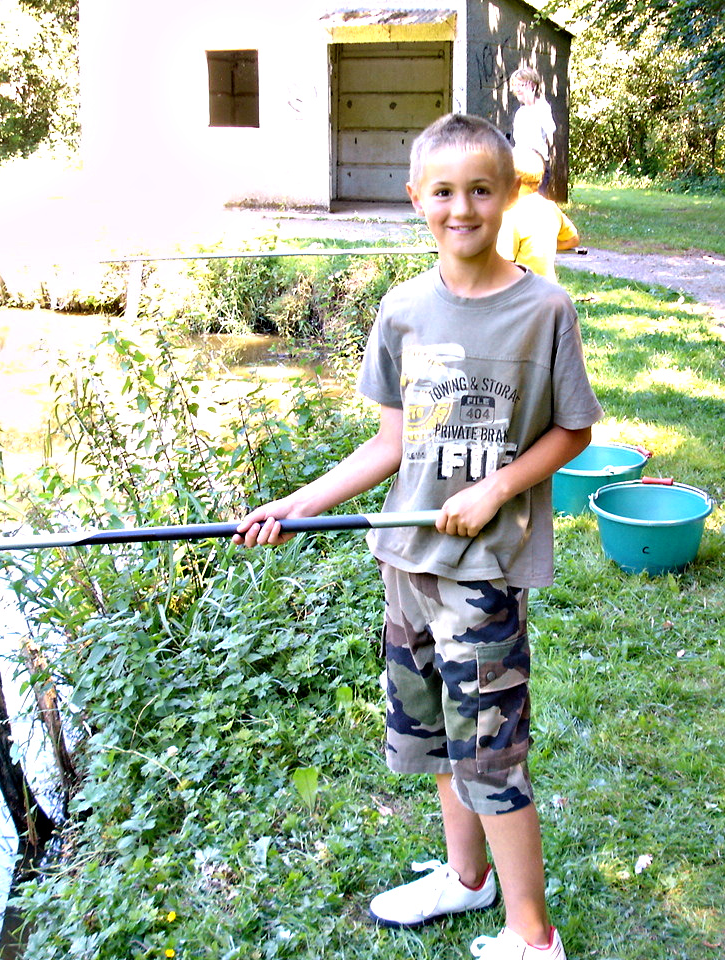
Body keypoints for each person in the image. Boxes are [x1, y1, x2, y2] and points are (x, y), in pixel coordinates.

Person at [235, 113, 602, 960]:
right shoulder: (402, 309)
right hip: (407, 563)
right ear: (416, 200)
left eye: (481, 190)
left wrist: (498, 488)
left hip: (483, 571)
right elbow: (388, 444)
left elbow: (575, 431)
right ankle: (465, 879)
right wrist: (296, 505)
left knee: (491, 757)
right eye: (444, 192)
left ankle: (532, 934)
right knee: (436, 738)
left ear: (511, 196)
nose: (462, 208)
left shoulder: (544, 308)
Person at [496, 148, 580, 280]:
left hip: (522, 293)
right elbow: (572, 239)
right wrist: (543, 245)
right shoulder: (551, 208)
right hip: (548, 290)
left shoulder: (510, 214)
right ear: (540, 181)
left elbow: (502, 263)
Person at [509, 67, 556, 196]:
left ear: (532, 86)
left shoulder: (542, 106)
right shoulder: (520, 112)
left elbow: (551, 129)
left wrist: (532, 102)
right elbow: (519, 142)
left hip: (537, 165)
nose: (517, 89)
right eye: (515, 85)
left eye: (521, 85)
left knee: (536, 203)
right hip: (520, 165)